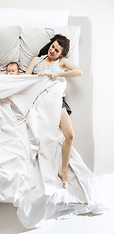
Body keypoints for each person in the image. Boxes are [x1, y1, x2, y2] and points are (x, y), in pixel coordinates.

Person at [25, 34, 83, 189]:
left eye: (56, 50)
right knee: (43, 138)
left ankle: (63, 171)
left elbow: (78, 72)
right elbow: (24, 79)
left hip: (56, 100)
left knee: (70, 135)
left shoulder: (61, 62)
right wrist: (37, 77)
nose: (52, 51)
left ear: (61, 54)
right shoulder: (36, 60)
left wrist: (58, 74)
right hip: (39, 101)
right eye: (52, 47)